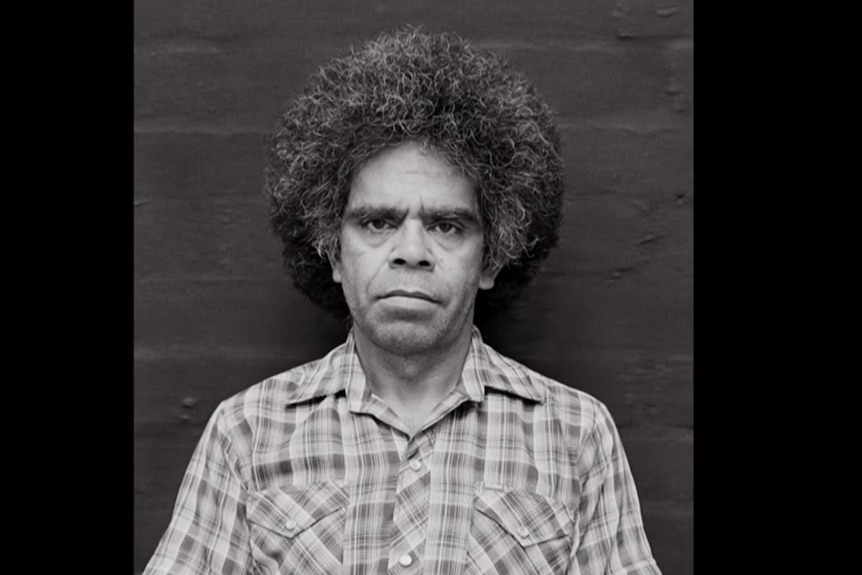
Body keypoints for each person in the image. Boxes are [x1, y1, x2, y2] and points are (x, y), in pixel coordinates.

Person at [143, 28, 662, 575]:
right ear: (334, 253)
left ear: (490, 258)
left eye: (446, 225)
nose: (411, 251)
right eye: (378, 222)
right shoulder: (246, 432)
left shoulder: (577, 435)